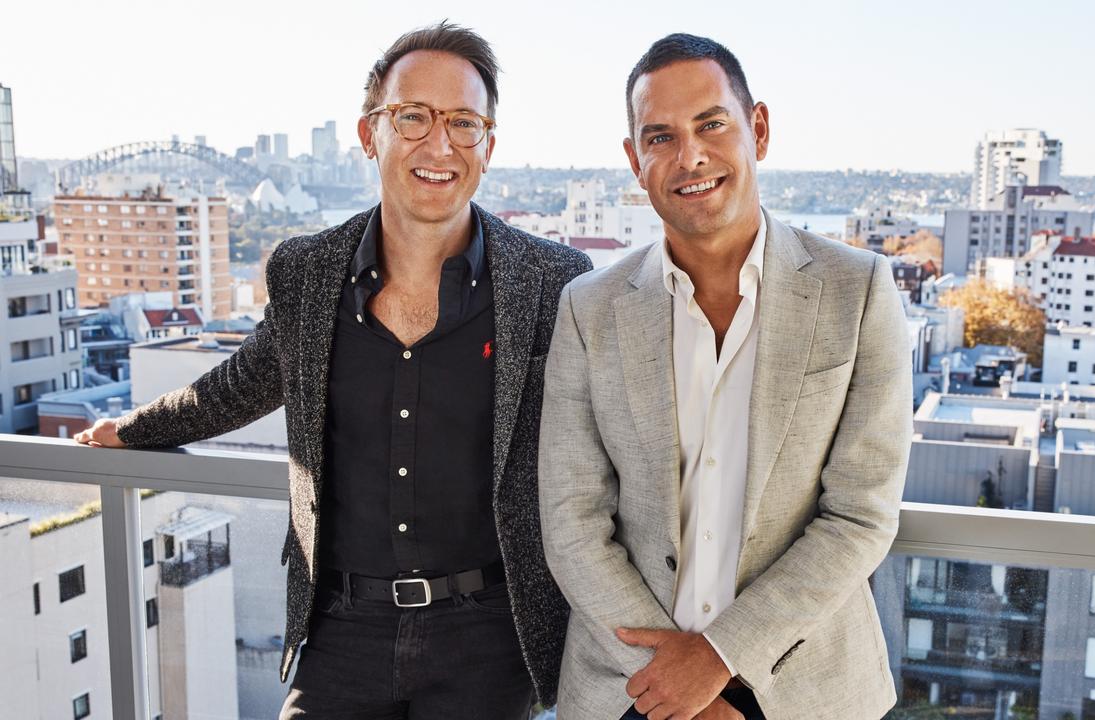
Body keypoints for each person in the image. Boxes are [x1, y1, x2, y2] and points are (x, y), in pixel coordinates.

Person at [75, 22, 590, 719]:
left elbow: (608, 437)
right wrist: (129, 432)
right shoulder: (307, 271)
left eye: (463, 123)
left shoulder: (554, 279)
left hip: (490, 636)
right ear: (369, 133)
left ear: (489, 146)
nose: (439, 144)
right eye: (413, 117)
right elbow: (241, 383)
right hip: (341, 627)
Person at [538, 33, 912, 720]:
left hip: (804, 690)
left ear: (758, 129)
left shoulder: (857, 290)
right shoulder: (588, 310)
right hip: (632, 690)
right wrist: (677, 684)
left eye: (711, 124)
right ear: (635, 160)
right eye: (661, 137)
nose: (691, 156)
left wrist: (715, 660)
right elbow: (570, 520)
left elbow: (861, 514)